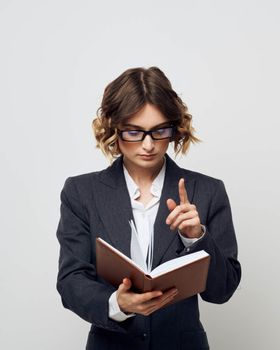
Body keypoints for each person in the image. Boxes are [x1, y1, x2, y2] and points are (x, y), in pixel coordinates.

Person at [56, 67, 241, 349]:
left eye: (159, 131)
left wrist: (197, 237)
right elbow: (71, 281)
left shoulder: (207, 191)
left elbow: (222, 291)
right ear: (113, 129)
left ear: (174, 128)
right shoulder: (81, 193)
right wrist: (117, 303)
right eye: (133, 132)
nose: (148, 145)